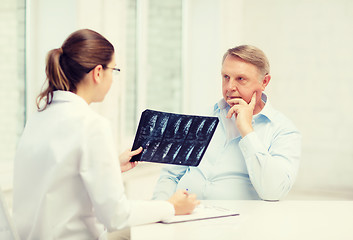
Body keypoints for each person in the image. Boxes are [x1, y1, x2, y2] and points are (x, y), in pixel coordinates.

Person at [12, 29, 199, 240]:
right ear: (98, 73)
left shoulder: (38, 118)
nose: (113, 78)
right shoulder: (91, 125)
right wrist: (170, 206)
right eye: (114, 70)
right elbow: (115, 217)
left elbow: (58, 178)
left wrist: (112, 166)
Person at [152, 45, 301, 201]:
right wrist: (160, 209)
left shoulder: (284, 131)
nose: (230, 87)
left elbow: (274, 192)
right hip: (185, 216)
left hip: (239, 222)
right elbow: (170, 176)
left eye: (240, 79)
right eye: (226, 77)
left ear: (264, 82)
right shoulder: (202, 117)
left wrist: (247, 131)